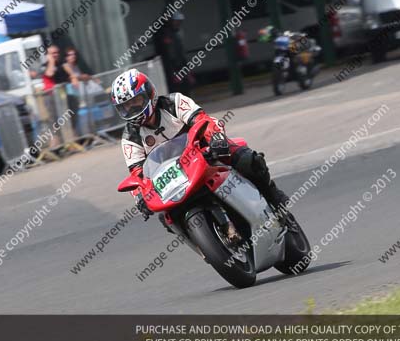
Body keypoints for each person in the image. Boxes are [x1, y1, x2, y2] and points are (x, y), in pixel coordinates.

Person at [111, 69, 290, 240]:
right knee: (165, 217)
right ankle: (202, 245)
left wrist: (216, 138)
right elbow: (137, 174)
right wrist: (140, 197)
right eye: (126, 107)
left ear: (149, 94)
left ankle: (276, 199)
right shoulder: (130, 137)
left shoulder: (173, 103)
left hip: (204, 152)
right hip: (171, 177)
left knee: (247, 160)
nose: (132, 109)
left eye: (136, 101)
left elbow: (202, 120)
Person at [154, 10, 194, 96]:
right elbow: (168, 55)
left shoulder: (175, 34)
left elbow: (180, 53)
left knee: (185, 89)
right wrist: (173, 73)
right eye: (176, 21)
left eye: (179, 22)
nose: (178, 24)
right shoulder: (164, 34)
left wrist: (187, 71)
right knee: (176, 91)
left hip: (179, 68)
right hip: (172, 69)